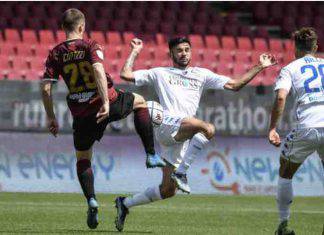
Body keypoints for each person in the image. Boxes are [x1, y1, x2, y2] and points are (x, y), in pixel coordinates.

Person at [114, 36, 277, 231]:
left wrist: (259, 66)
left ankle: (125, 203)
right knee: (207, 128)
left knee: (167, 190)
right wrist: (135, 52)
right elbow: (125, 74)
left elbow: (234, 85)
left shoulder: (201, 74)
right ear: (171, 53)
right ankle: (182, 173)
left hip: (180, 134)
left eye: (186, 50)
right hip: (167, 123)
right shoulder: (160, 73)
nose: (184, 53)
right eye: (179, 50)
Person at [40, 8, 165, 230]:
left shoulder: (55, 53)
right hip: (106, 102)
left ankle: (91, 200)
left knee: (83, 158)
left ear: (62, 28)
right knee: (140, 102)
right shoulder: (90, 45)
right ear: (81, 27)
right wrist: (106, 102)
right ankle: (151, 154)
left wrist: (51, 117)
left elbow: (46, 88)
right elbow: (98, 70)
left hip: (82, 114)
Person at [269, 27, 324, 235]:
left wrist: (272, 127)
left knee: (285, 171)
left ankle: (283, 225)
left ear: (295, 48)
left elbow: (281, 97)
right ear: (316, 47)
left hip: (308, 126)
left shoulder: (291, 68)